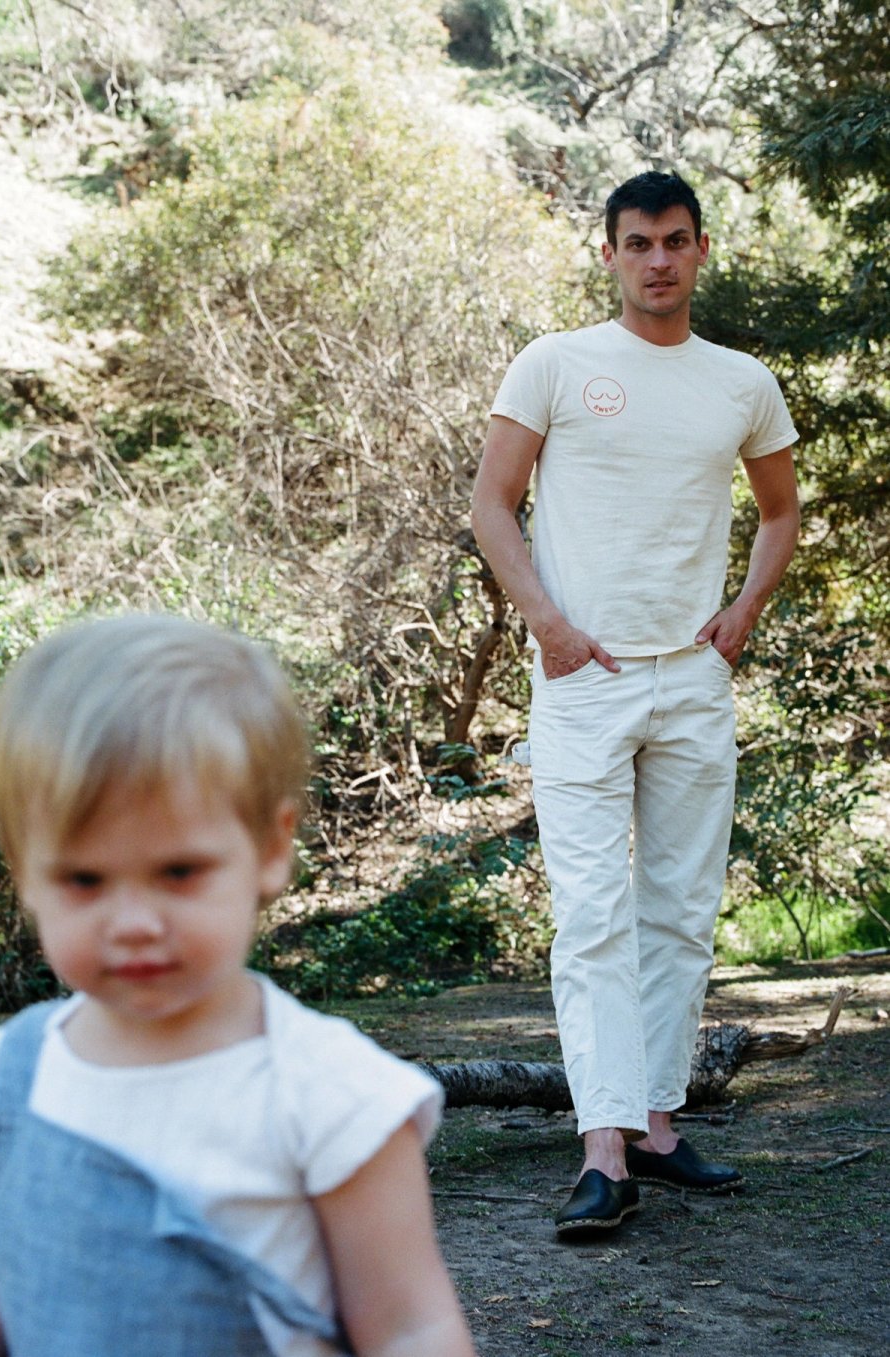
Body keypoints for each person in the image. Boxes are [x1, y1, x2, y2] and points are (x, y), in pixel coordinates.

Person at [0, 613, 477, 1356]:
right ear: (27, 877)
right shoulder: (8, 1075)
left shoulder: (328, 1093)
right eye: (84, 879)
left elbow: (410, 1327)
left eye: (178, 872)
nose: (134, 922)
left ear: (270, 849)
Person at [471, 171, 800, 1235]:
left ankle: (657, 1125)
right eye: (637, 242)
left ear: (701, 251)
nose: (657, 258)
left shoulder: (742, 381)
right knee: (594, 914)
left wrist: (746, 607)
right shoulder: (557, 364)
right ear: (608, 254)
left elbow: (781, 513)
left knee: (679, 908)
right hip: (584, 679)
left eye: (674, 240)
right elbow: (491, 502)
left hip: (694, 678)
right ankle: (602, 1148)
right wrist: (550, 627)